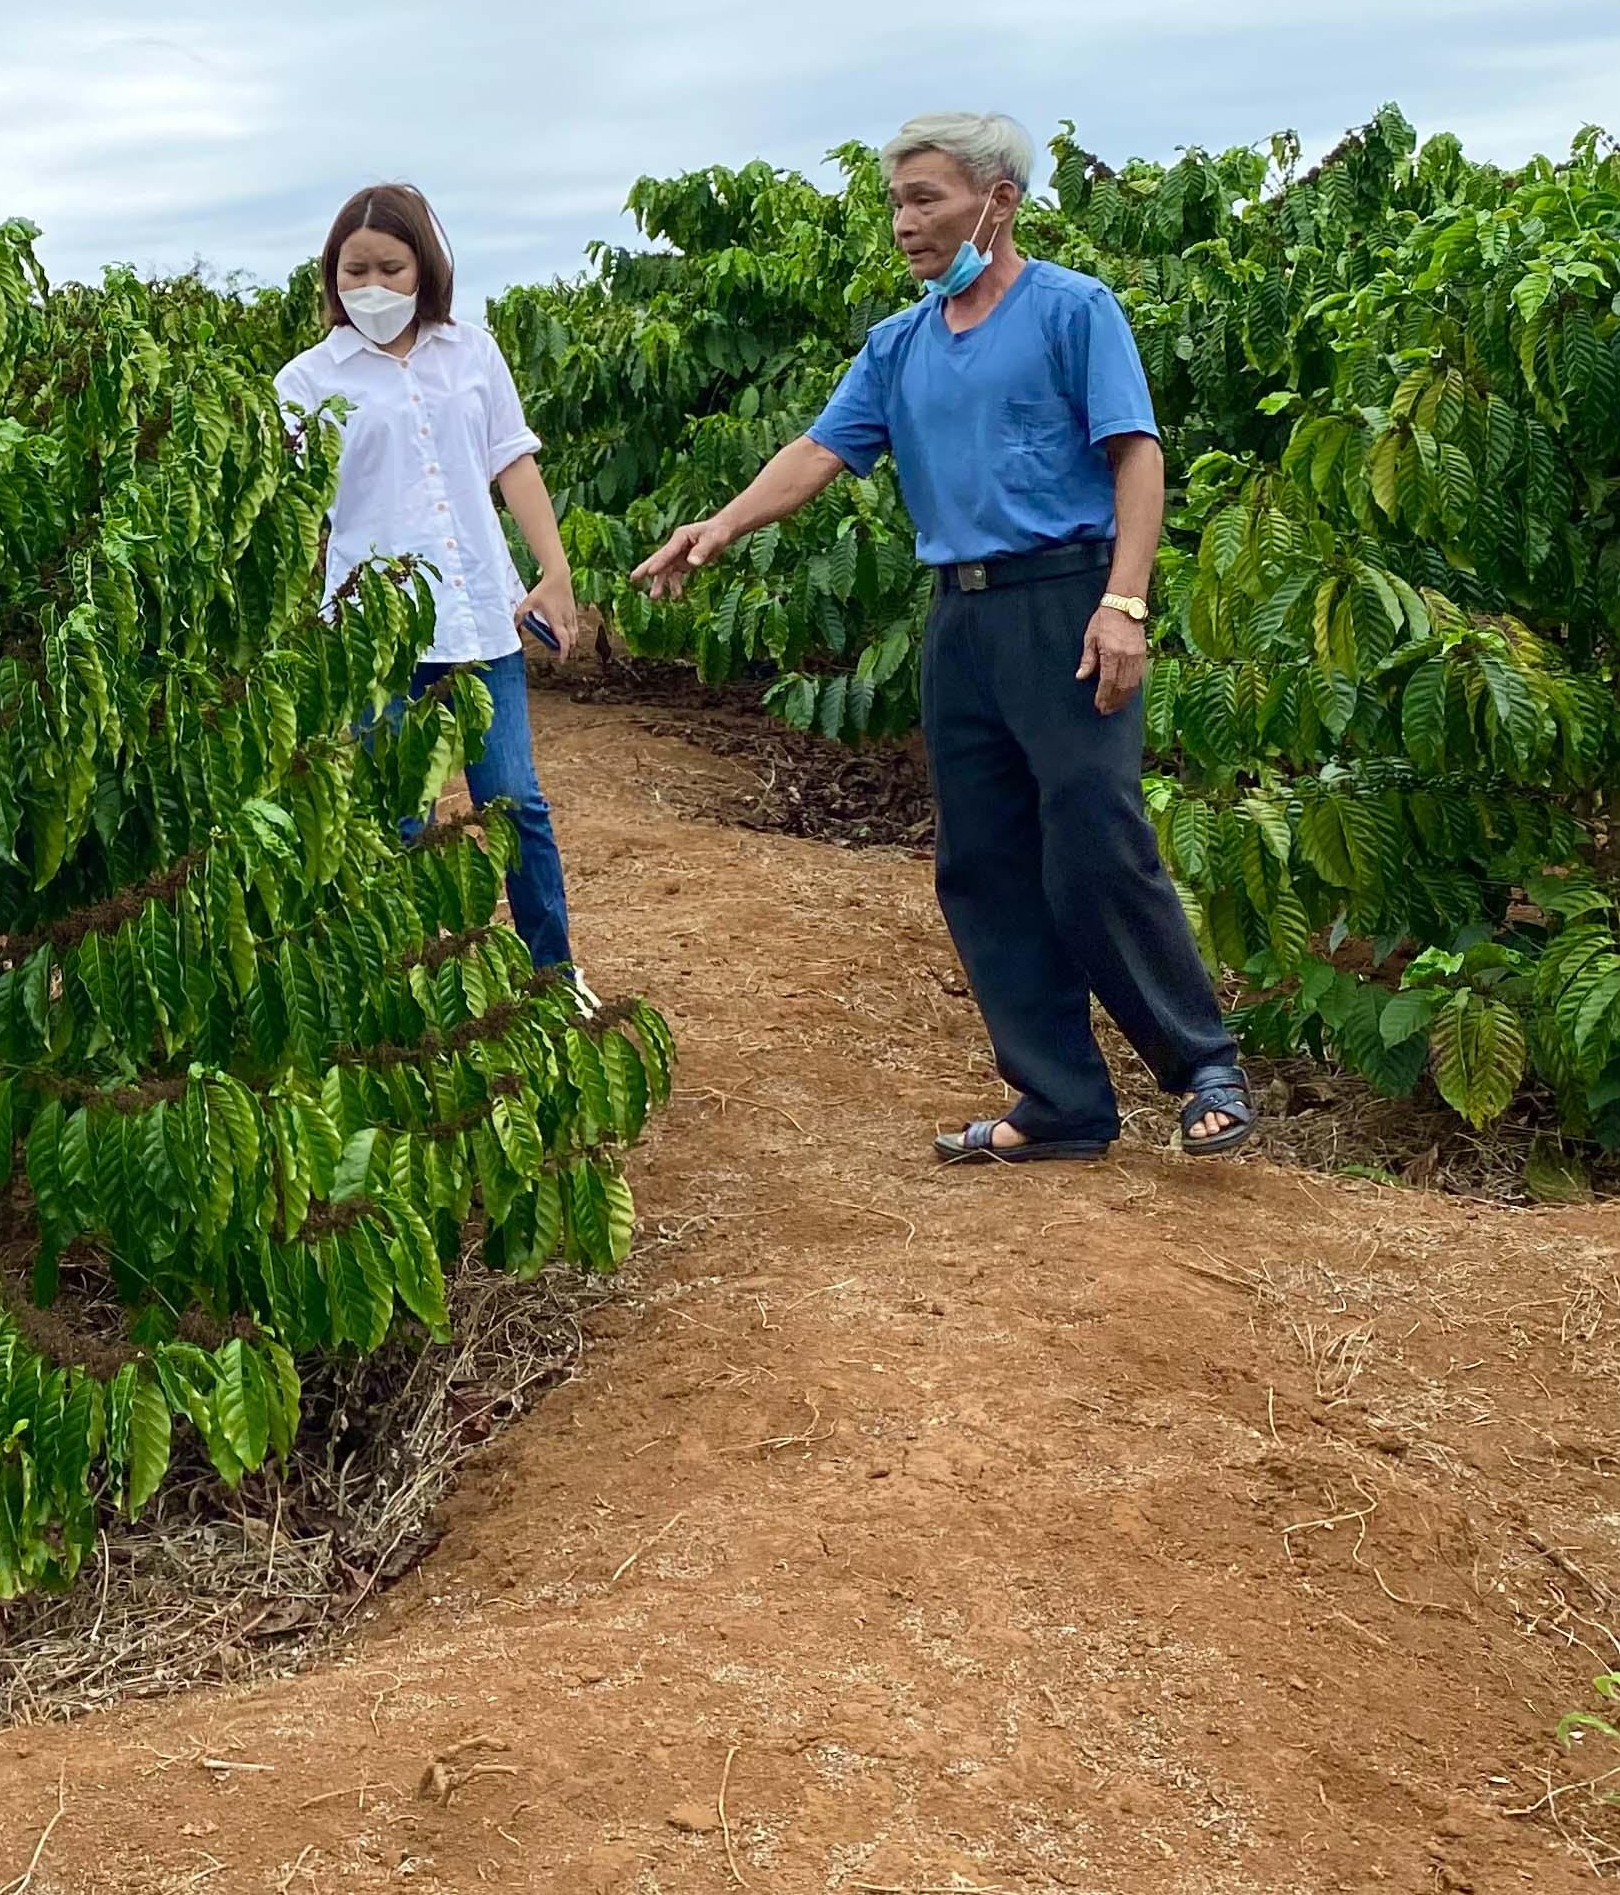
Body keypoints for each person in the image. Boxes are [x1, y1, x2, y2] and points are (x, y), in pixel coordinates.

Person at [632, 113, 1254, 1164]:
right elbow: (818, 449)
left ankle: (1203, 1064)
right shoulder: (899, 343)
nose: (903, 222)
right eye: (894, 202)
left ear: (995, 199)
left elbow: (1134, 455)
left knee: (1092, 834)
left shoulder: (1071, 310)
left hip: (1062, 600)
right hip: (957, 615)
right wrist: (721, 523)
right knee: (980, 861)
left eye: (924, 198)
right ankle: (1059, 1100)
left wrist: (1125, 602)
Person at [276, 182, 591, 996]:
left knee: (515, 802)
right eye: (354, 270)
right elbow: (290, 511)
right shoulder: (306, 381)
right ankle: (408, 986)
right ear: (330, 274)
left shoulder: (471, 352)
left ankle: (553, 973)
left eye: (390, 267)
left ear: (426, 268)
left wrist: (553, 572)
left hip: (481, 615)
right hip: (371, 636)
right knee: (396, 820)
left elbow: (512, 463)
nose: (371, 287)